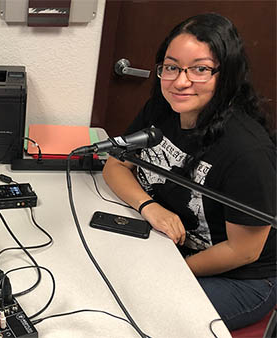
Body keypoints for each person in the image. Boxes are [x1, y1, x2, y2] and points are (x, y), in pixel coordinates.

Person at [102, 13, 276, 330]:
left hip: (240, 277)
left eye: (200, 69)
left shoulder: (248, 152)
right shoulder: (161, 108)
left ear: (227, 75)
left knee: (133, 316)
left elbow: (244, 251)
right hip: (172, 246)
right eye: (171, 67)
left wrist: (171, 269)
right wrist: (149, 206)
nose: (180, 82)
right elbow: (115, 165)